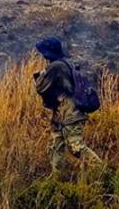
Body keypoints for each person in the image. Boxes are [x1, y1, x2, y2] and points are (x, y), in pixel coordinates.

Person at [33, 37, 101, 176]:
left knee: (76, 147)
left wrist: (41, 74)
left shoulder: (56, 66)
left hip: (70, 112)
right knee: (55, 147)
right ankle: (59, 181)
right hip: (62, 113)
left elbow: (40, 87)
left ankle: (103, 171)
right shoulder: (66, 63)